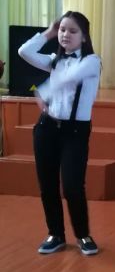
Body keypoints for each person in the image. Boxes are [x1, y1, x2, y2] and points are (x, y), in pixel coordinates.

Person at [18, 13, 102, 256]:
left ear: (84, 37)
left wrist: (43, 91)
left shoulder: (92, 61)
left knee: (73, 186)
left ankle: (83, 235)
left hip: (74, 131)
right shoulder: (54, 60)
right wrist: (48, 33)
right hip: (46, 128)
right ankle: (55, 234)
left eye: (72, 31)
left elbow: (69, 78)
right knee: (47, 185)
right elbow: (24, 52)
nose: (66, 35)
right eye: (63, 30)